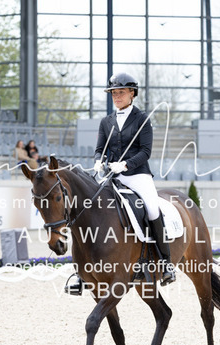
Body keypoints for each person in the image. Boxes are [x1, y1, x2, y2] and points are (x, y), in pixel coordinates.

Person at [65, 72, 175, 296]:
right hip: (111, 176)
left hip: (137, 175)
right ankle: (82, 272)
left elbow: (145, 151)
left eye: (121, 92)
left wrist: (125, 165)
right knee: (89, 208)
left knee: (152, 209)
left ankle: (165, 263)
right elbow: (100, 148)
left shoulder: (142, 119)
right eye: (114, 93)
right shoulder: (106, 121)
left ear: (132, 93)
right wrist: (98, 161)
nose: (116, 96)